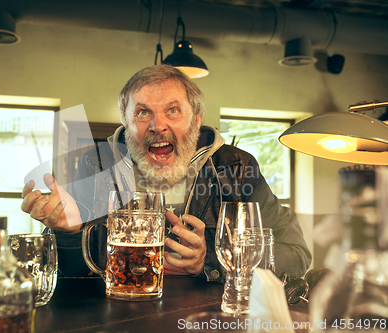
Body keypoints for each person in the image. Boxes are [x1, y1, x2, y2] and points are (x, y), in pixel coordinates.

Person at [21, 64, 311, 282]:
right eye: (143, 113)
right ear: (126, 122)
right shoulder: (98, 164)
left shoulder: (237, 168)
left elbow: (296, 254)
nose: (157, 126)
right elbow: (67, 273)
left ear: (196, 121)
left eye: (172, 111)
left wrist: (209, 259)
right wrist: (66, 233)